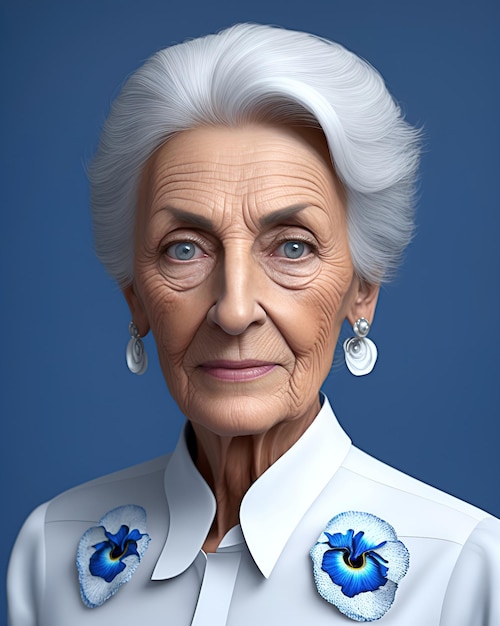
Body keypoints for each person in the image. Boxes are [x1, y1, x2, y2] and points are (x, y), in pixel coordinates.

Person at [7, 23, 500, 626]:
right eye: (184, 249)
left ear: (362, 291)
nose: (235, 310)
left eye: (291, 248)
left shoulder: (465, 572)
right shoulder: (51, 549)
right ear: (135, 297)